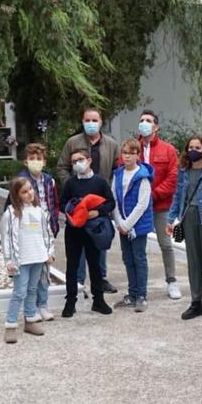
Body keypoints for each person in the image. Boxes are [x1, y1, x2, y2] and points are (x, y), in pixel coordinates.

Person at [57, 107, 121, 294]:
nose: (91, 123)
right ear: (82, 121)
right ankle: (78, 282)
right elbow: (62, 166)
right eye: (87, 120)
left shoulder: (111, 144)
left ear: (101, 122)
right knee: (79, 242)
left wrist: (106, 190)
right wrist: (72, 185)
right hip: (78, 201)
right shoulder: (73, 142)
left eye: (95, 120)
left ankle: (100, 279)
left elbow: (117, 170)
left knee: (99, 239)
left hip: (99, 201)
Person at [167, 136, 202, 322]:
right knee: (193, 260)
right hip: (188, 216)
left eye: (197, 147)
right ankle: (196, 302)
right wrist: (171, 218)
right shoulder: (183, 171)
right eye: (190, 147)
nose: (193, 150)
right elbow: (178, 195)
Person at [60, 148, 116, 318]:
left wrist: (97, 212)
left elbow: (110, 203)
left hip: (94, 229)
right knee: (72, 266)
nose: (78, 163)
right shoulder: (70, 183)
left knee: (95, 265)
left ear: (89, 160)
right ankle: (71, 302)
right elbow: (62, 204)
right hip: (74, 230)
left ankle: (98, 300)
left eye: (80, 159)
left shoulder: (100, 182)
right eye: (74, 161)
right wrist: (74, 209)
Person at [0, 178, 56, 343]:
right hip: (21, 260)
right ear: (16, 195)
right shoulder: (10, 214)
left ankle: (30, 320)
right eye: (24, 191)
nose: (29, 193)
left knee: (32, 290)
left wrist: (49, 252)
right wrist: (8, 259)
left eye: (30, 189)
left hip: (38, 258)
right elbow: (6, 238)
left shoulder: (40, 211)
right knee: (19, 292)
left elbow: (47, 234)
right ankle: (10, 325)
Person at [9, 144, 60, 321]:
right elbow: (12, 207)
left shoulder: (49, 180)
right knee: (30, 277)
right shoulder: (21, 181)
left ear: (44, 161)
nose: (35, 162)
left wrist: (53, 224)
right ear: (25, 161)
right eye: (32, 158)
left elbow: (54, 204)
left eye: (39, 159)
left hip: (44, 231)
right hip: (28, 234)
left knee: (45, 272)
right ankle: (31, 309)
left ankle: (43, 304)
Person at [137, 110, 182, 300]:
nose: (144, 123)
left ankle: (172, 281)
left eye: (148, 121)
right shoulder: (133, 148)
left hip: (160, 205)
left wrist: (153, 195)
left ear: (156, 126)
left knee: (165, 244)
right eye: (142, 120)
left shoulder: (168, 150)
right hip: (137, 206)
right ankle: (138, 285)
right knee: (137, 246)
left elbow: (173, 178)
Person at [112, 139, 155, 312]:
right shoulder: (118, 174)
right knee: (127, 258)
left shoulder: (142, 176)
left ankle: (141, 295)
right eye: (125, 153)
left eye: (131, 153)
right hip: (122, 225)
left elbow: (142, 204)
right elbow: (114, 198)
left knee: (139, 258)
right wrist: (119, 222)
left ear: (138, 155)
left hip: (138, 226)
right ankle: (132, 293)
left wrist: (128, 224)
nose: (127, 156)